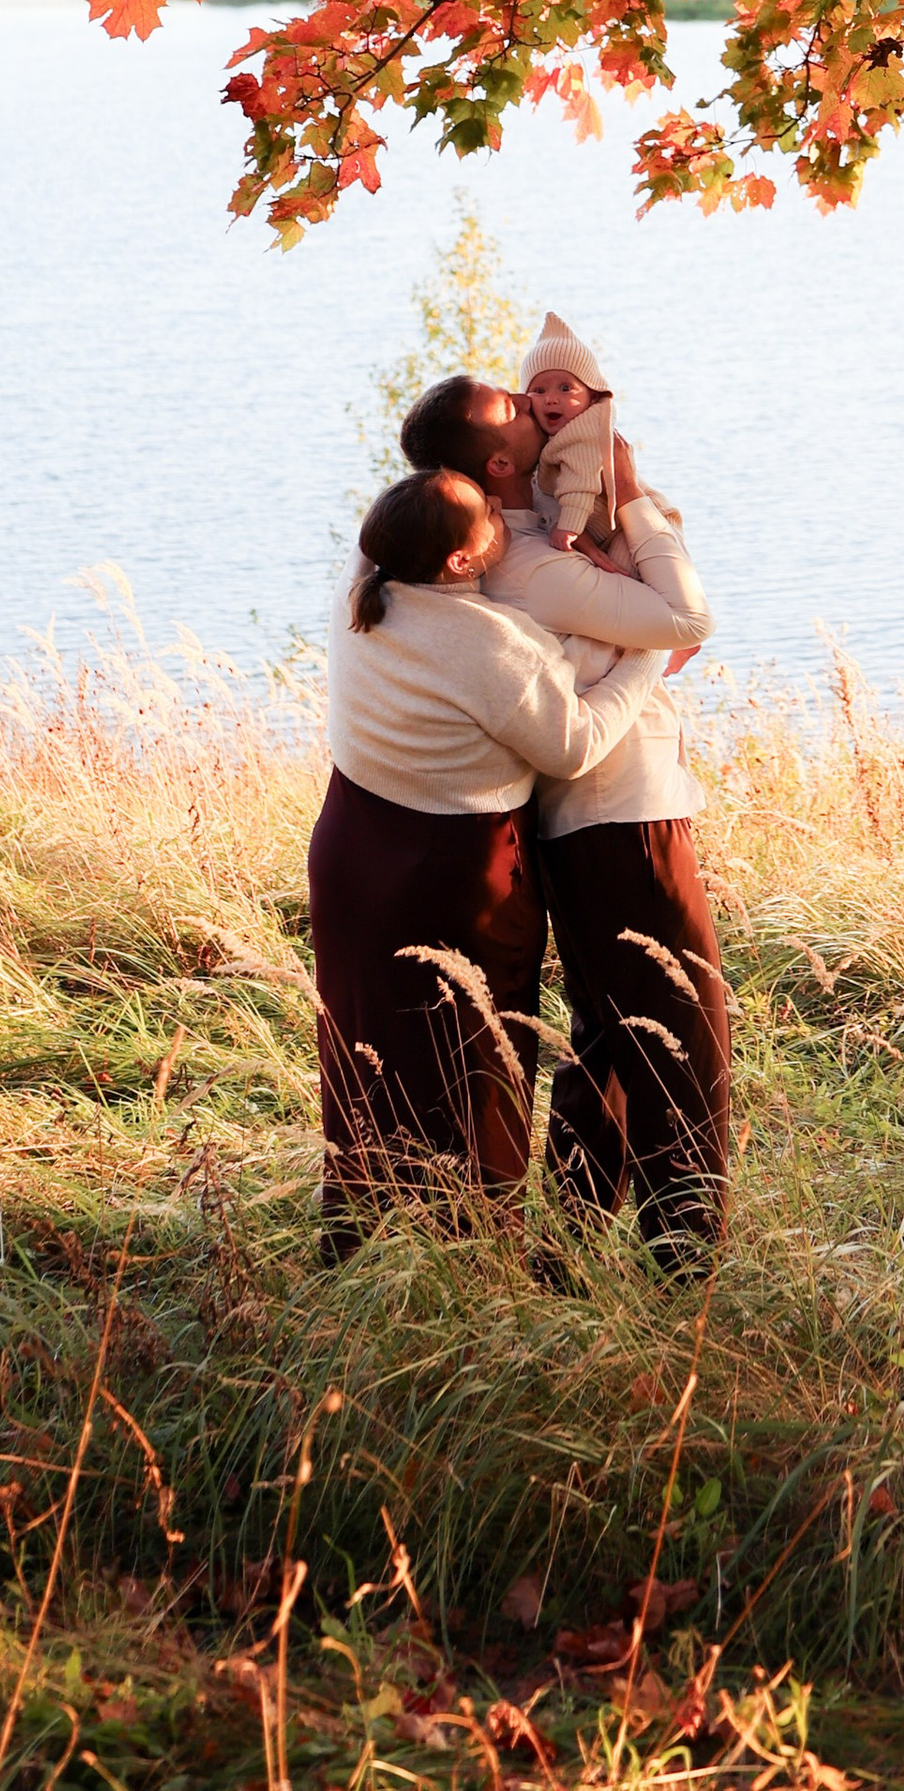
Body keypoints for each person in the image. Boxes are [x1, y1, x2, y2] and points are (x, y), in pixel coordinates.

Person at [398, 369, 732, 1273]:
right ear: (501, 461)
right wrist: (630, 498)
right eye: (510, 407)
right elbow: (691, 616)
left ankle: (566, 1252)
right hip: (623, 814)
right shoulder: (536, 565)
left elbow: (671, 633)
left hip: (587, 818)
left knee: (609, 1042)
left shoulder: (533, 538)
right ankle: (690, 1268)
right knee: (684, 1039)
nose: (531, 398)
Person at [308, 465, 665, 1254]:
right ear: (463, 564)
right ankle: (466, 1246)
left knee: (365, 1047)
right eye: (488, 523)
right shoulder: (488, 642)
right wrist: (644, 654)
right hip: (451, 868)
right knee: (471, 1057)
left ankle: (363, 1235)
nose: (504, 525)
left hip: (350, 849)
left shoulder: (362, 588)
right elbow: (571, 745)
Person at [519, 305, 620, 550]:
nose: (551, 399)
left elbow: (581, 480)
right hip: (604, 530)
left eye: (566, 388)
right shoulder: (553, 434)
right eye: (539, 390)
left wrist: (569, 528)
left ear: (593, 395)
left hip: (623, 532)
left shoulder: (583, 431)